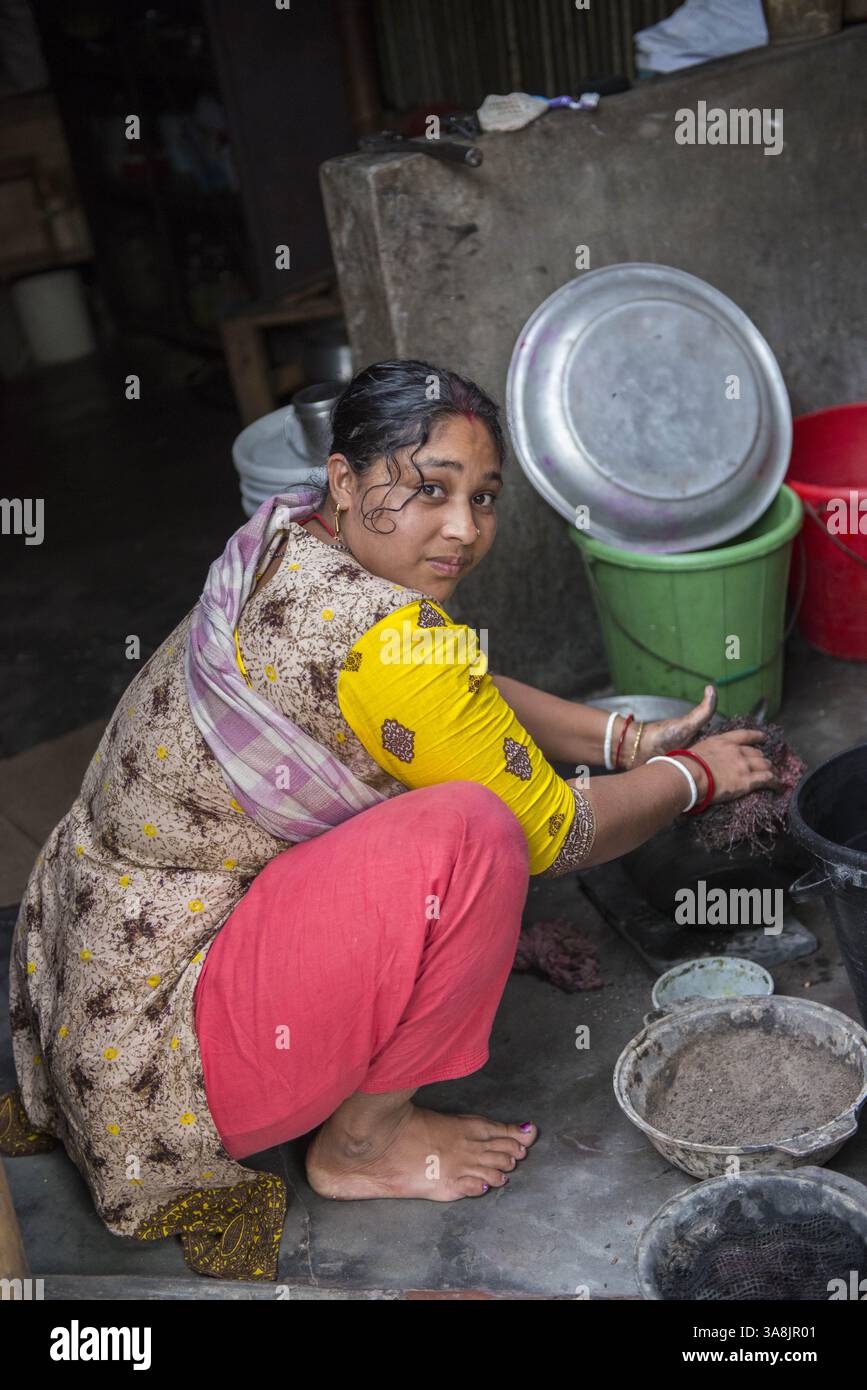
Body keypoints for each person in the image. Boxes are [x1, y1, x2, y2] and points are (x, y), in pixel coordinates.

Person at [2, 359, 778, 1282]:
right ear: (343, 480)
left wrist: (619, 739)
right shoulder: (389, 639)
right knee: (477, 833)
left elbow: (454, 688)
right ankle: (362, 1145)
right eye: (427, 490)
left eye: (483, 498)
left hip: (90, 1001)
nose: (463, 529)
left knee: (453, 793)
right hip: (168, 1063)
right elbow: (557, 832)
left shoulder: (289, 544)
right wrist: (690, 776)